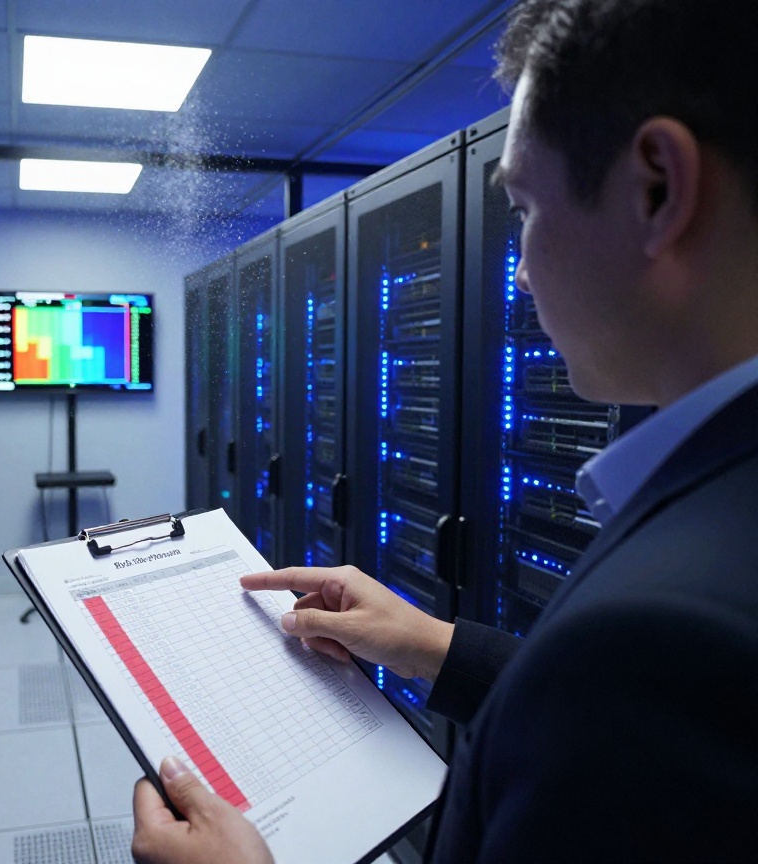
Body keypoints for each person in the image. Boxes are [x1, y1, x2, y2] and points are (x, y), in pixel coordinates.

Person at [130, 0, 758, 861]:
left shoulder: (656, 639)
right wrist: (435, 644)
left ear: (657, 187)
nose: (525, 270)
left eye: (526, 209)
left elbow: (632, 690)